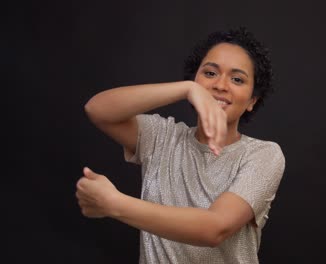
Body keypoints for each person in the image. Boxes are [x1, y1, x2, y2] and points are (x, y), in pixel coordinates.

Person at [76, 26, 286, 264]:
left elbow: (214, 229)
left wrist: (114, 204)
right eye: (209, 73)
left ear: (252, 101)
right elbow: (98, 110)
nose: (220, 85)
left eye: (237, 79)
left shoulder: (263, 155)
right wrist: (185, 89)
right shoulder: (162, 138)